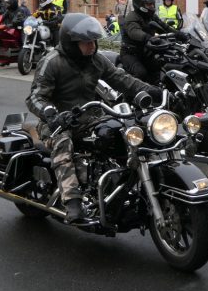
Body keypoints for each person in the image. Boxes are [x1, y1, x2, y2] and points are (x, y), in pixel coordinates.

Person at [26, 13, 160, 222]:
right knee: (63, 143)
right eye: (86, 42)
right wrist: (51, 114)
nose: (92, 46)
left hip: (90, 118)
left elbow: (121, 78)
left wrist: (152, 91)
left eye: (93, 41)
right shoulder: (52, 62)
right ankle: (72, 202)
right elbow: (35, 97)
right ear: (71, 43)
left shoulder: (96, 60)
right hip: (57, 123)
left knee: (122, 132)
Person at [121, 0, 175, 80]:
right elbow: (134, 32)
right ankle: (133, 94)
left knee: (162, 69)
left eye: (152, 4)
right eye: (149, 4)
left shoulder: (151, 16)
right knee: (141, 73)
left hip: (146, 52)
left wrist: (179, 34)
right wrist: (148, 38)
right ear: (140, 5)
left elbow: (164, 27)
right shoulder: (132, 17)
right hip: (130, 54)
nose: (152, 6)